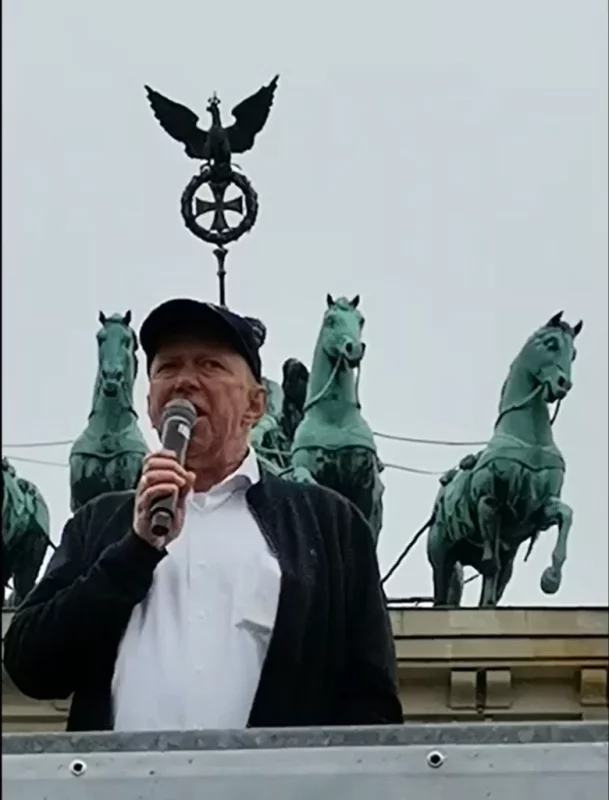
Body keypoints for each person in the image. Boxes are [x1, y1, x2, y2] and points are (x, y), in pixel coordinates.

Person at [3, 299, 403, 732]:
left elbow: (372, 700)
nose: (185, 382)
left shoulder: (328, 525)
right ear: (151, 402)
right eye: (168, 368)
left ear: (255, 404)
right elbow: (31, 665)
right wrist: (135, 551)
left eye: (210, 365)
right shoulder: (101, 522)